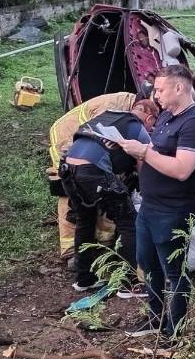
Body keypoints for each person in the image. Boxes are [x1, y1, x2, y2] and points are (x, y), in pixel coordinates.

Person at [119, 65, 195, 340]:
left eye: (160, 90)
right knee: (147, 263)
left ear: (179, 88)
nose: (156, 95)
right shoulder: (166, 117)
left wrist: (144, 153)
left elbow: (182, 169)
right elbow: (158, 152)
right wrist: (134, 149)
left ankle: (175, 330)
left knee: (174, 271)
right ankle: (155, 318)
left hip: (173, 210)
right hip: (150, 206)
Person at [62, 99, 159, 295]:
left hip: (67, 168)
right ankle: (129, 284)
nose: (151, 128)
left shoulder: (110, 117)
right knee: (128, 221)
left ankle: (84, 280)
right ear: (149, 118)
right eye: (153, 124)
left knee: (85, 220)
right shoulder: (136, 126)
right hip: (92, 170)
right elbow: (144, 167)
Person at [48, 91, 139, 261]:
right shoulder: (115, 107)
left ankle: (96, 242)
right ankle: (69, 246)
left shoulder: (128, 105)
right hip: (66, 138)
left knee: (90, 200)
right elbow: (101, 135)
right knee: (68, 188)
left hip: (83, 144)